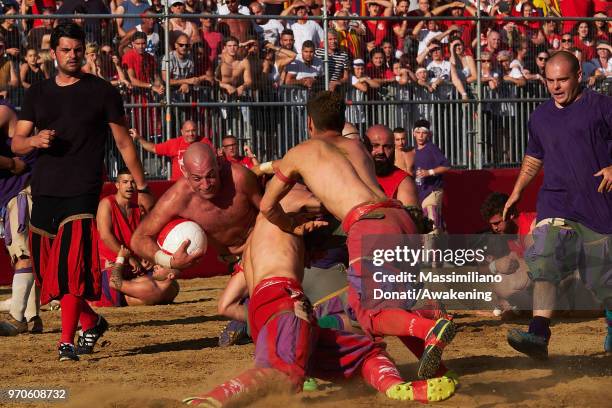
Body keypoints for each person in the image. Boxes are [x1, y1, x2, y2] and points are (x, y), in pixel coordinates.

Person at [183, 185, 456, 406]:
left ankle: (398, 389)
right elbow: (338, 202)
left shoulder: (260, 239)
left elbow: (226, 304)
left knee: (366, 353)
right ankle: (208, 402)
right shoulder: (288, 198)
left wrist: (269, 323)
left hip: (271, 313)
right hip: (285, 300)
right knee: (282, 374)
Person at [258, 91, 457, 380]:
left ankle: (430, 328)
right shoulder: (357, 148)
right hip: (400, 217)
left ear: (309, 123)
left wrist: (293, 226)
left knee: (371, 314)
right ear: (342, 122)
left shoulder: (301, 152)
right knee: (391, 306)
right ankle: (438, 370)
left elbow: (267, 206)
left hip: (369, 223)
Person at [10, 22, 153, 362]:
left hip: (83, 191)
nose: (72, 55)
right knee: (50, 278)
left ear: (84, 51)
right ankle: (92, 321)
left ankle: (66, 342)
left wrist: (143, 186)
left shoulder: (102, 91)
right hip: (44, 190)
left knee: (70, 269)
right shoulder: (37, 93)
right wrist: (33, 141)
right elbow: (17, 141)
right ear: (54, 53)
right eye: (65, 50)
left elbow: (123, 142)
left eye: (77, 50)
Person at [503, 51, 612, 357]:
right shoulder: (539, 117)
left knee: (602, 280)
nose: (556, 87)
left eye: (562, 79)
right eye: (550, 80)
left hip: (598, 207)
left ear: (580, 76)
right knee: (543, 258)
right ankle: (538, 334)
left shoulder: (602, 107)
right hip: (556, 202)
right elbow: (534, 156)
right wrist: (517, 192)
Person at [130, 142, 262, 341]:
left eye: (210, 175)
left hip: (264, 248)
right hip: (236, 262)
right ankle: (254, 316)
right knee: (226, 307)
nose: (206, 184)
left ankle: (257, 316)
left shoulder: (239, 177)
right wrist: (170, 262)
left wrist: (260, 243)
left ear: (219, 163)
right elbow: (139, 239)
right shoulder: (177, 197)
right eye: (197, 178)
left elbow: (270, 211)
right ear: (183, 171)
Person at [94, 168, 178, 307]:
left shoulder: (137, 209)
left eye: (132, 182)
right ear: (117, 185)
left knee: (170, 285)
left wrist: (145, 257)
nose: (129, 186)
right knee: (152, 290)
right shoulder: (106, 204)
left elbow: (143, 238)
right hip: (112, 265)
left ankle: (142, 297)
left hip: (134, 266)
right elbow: (105, 236)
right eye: (125, 182)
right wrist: (131, 258)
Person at [0, 99, 41, 337]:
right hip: (12, 193)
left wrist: (11, 164)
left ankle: (17, 319)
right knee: (22, 257)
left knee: (22, 253)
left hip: (21, 191)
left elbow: (16, 164)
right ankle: (32, 317)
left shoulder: (2, 110)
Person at [480, 192, 536, 319]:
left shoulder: (531, 225)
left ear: (510, 215)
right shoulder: (509, 234)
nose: (494, 228)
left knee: (504, 280)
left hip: (568, 277)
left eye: (497, 223)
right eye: (492, 224)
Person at [130, 120, 213, 181]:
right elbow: (153, 148)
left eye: (193, 131)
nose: (191, 134)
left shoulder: (204, 142)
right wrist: (139, 138)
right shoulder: (175, 143)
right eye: (187, 131)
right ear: (182, 132)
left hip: (199, 185)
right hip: (179, 186)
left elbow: (213, 159)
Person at [413, 119, 450, 237]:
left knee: (431, 225)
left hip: (432, 191)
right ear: (413, 133)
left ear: (428, 134)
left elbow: (446, 166)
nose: (420, 136)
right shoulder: (412, 151)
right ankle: (445, 250)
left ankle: (432, 254)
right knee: (433, 223)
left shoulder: (431, 148)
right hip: (419, 193)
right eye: (418, 132)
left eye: (423, 133)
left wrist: (429, 172)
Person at [365, 125, 418, 207]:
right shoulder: (354, 176)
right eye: (375, 146)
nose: (381, 151)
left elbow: (408, 218)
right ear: (364, 147)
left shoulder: (404, 182)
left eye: (387, 147)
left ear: (393, 148)